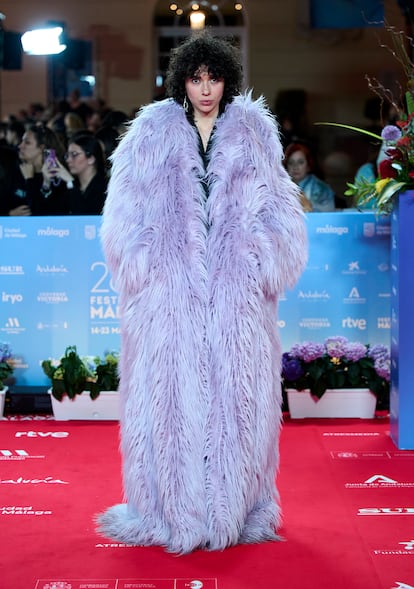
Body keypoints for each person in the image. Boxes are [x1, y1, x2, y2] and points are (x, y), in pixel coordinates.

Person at [97, 32, 308, 554]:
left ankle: (234, 509)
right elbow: (123, 208)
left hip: (237, 298)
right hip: (171, 299)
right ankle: (170, 511)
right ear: (183, 81)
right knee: (169, 400)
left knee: (238, 400)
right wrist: (147, 267)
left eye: (214, 78)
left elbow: (281, 206)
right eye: (197, 78)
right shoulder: (151, 132)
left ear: (227, 79)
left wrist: (261, 262)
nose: (206, 88)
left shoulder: (255, 132)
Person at [43, 133, 108, 215]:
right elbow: (50, 213)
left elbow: (85, 216)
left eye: (74, 154)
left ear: (91, 159)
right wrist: (46, 183)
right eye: (67, 155)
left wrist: (70, 182)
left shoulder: (104, 188)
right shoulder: (70, 186)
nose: (68, 160)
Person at [18, 122, 71, 215]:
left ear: (41, 148)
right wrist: (9, 213)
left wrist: (29, 181)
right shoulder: (20, 169)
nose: (20, 146)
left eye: (27, 142)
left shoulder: (56, 176)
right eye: (22, 141)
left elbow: (39, 211)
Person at [284, 141, 336, 212]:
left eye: (300, 162)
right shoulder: (281, 188)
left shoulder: (322, 189)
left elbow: (330, 215)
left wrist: (308, 206)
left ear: (309, 165)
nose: (295, 167)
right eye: (291, 163)